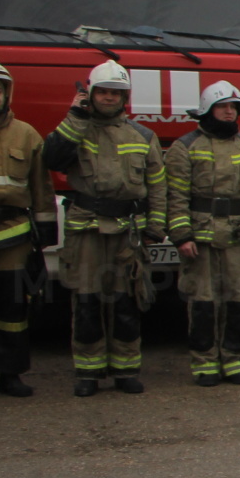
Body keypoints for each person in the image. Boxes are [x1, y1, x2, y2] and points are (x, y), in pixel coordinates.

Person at [44, 59, 166, 396]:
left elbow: (157, 184)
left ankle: (126, 371)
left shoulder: (143, 136)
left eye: (116, 92)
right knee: (87, 302)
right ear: (91, 94)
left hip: (128, 231)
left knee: (126, 303)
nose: (110, 98)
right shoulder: (75, 129)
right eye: (104, 92)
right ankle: (88, 372)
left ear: (125, 97)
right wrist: (75, 116)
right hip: (86, 230)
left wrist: (156, 225)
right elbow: (51, 159)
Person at [165, 81, 240, 386]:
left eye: (234, 107)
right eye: (223, 107)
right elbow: (175, 197)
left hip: (238, 237)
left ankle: (234, 361)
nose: (229, 112)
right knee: (202, 302)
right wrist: (182, 236)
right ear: (207, 109)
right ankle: (204, 363)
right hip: (201, 237)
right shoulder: (185, 147)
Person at [0, 60, 53, 398]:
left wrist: (46, 235)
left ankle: (10, 375)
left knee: (13, 310)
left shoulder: (26, 134)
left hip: (14, 235)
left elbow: (42, 188)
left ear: (7, 93)